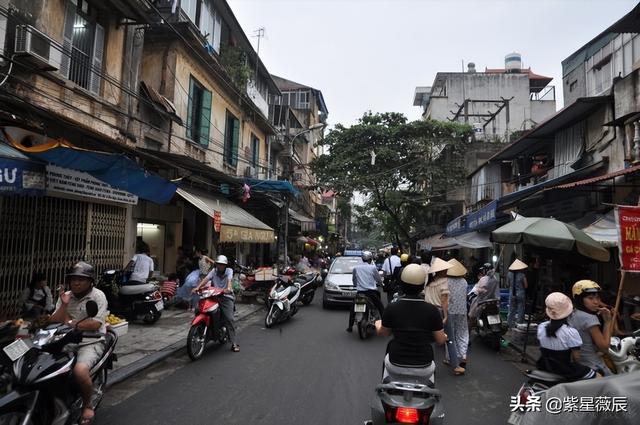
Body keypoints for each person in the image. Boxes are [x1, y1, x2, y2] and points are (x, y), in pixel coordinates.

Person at [49, 262, 108, 425]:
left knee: (80, 371)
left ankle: (87, 406)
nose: (76, 283)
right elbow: (54, 320)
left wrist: (69, 322)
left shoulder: (98, 296)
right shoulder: (66, 295)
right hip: (66, 339)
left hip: (91, 340)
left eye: (81, 280)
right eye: (73, 279)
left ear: (90, 281)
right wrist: (65, 304)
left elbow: (95, 324)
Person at [375, 264, 447, 384]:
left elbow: (384, 332)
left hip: (395, 363)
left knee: (386, 365)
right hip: (424, 366)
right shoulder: (432, 310)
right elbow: (440, 340)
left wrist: (378, 324)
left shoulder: (392, 308)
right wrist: (444, 336)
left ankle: (385, 388)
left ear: (402, 285)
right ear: (422, 286)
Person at [537, 292, 597, 381]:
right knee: (598, 376)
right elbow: (576, 357)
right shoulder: (571, 332)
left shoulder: (541, 327)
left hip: (544, 365)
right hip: (564, 369)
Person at [424, 257, 464, 374]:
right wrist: (445, 316)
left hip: (428, 312)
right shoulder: (444, 282)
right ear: (442, 270)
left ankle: (429, 367)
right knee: (450, 339)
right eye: (445, 269)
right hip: (440, 312)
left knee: (431, 341)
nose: (447, 271)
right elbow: (444, 301)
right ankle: (456, 366)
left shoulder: (430, 283)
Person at [193, 255, 239, 352]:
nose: (220, 266)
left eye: (222, 265)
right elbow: (206, 279)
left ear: (225, 265)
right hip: (214, 296)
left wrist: (229, 288)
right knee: (199, 309)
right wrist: (198, 287)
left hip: (226, 297)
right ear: (216, 264)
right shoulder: (214, 271)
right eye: (218, 264)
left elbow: (229, 280)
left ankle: (234, 343)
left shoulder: (229, 271)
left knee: (229, 319)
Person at [567, 280, 614, 375]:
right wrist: (608, 322)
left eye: (597, 298)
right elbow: (604, 347)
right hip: (594, 366)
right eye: (590, 298)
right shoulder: (589, 318)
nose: (596, 302)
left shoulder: (572, 313)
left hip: (578, 365)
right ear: (580, 299)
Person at [347, 250, 385, 332]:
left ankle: (350, 326)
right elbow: (378, 279)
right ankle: (385, 325)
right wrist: (381, 284)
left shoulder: (356, 268)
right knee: (380, 306)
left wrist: (355, 285)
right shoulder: (372, 268)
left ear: (362, 259)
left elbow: (354, 280)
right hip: (371, 292)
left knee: (353, 308)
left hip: (360, 292)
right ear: (370, 259)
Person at [446, 259, 470, 372]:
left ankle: (450, 357)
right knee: (462, 333)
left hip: (450, 311)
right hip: (462, 311)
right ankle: (463, 355)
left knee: (450, 335)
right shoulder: (464, 282)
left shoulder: (446, 281)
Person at [507, 259, 529, 329]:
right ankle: (519, 324)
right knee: (520, 309)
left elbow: (507, 284)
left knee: (511, 309)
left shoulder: (509, 274)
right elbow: (526, 286)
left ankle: (510, 324)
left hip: (512, 294)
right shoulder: (522, 275)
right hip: (520, 294)